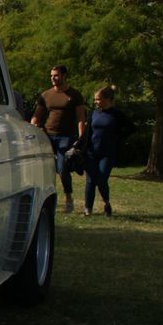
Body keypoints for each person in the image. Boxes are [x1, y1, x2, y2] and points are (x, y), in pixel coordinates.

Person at [31, 65, 87, 213]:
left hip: (65, 137)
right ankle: (47, 199)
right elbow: (37, 116)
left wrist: (81, 138)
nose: (53, 78)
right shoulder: (45, 95)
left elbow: (81, 117)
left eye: (56, 75)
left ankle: (68, 197)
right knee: (46, 168)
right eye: (51, 76)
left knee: (62, 169)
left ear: (64, 76)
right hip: (47, 135)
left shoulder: (74, 95)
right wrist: (34, 126)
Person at [83, 86, 134, 216]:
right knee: (90, 181)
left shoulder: (116, 114)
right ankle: (88, 209)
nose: (95, 102)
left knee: (101, 180)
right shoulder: (93, 113)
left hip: (107, 153)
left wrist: (117, 137)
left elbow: (131, 128)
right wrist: (77, 147)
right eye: (95, 99)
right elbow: (87, 132)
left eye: (98, 99)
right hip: (91, 152)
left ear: (107, 99)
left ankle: (107, 203)